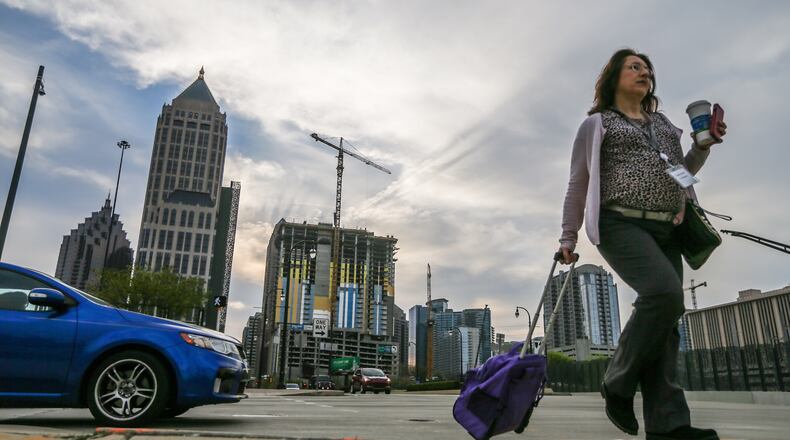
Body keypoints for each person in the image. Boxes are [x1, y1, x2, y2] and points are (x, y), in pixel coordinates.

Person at [557, 48, 727, 440]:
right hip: (620, 224)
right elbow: (577, 182)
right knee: (664, 294)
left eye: (647, 69)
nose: (644, 72)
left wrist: (702, 147)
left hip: (668, 228)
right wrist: (568, 237)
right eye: (634, 67)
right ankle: (617, 380)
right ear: (614, 77)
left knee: (666, 323)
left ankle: (669, 427)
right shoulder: (597, 124)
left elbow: (680, 172)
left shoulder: (663, 124)